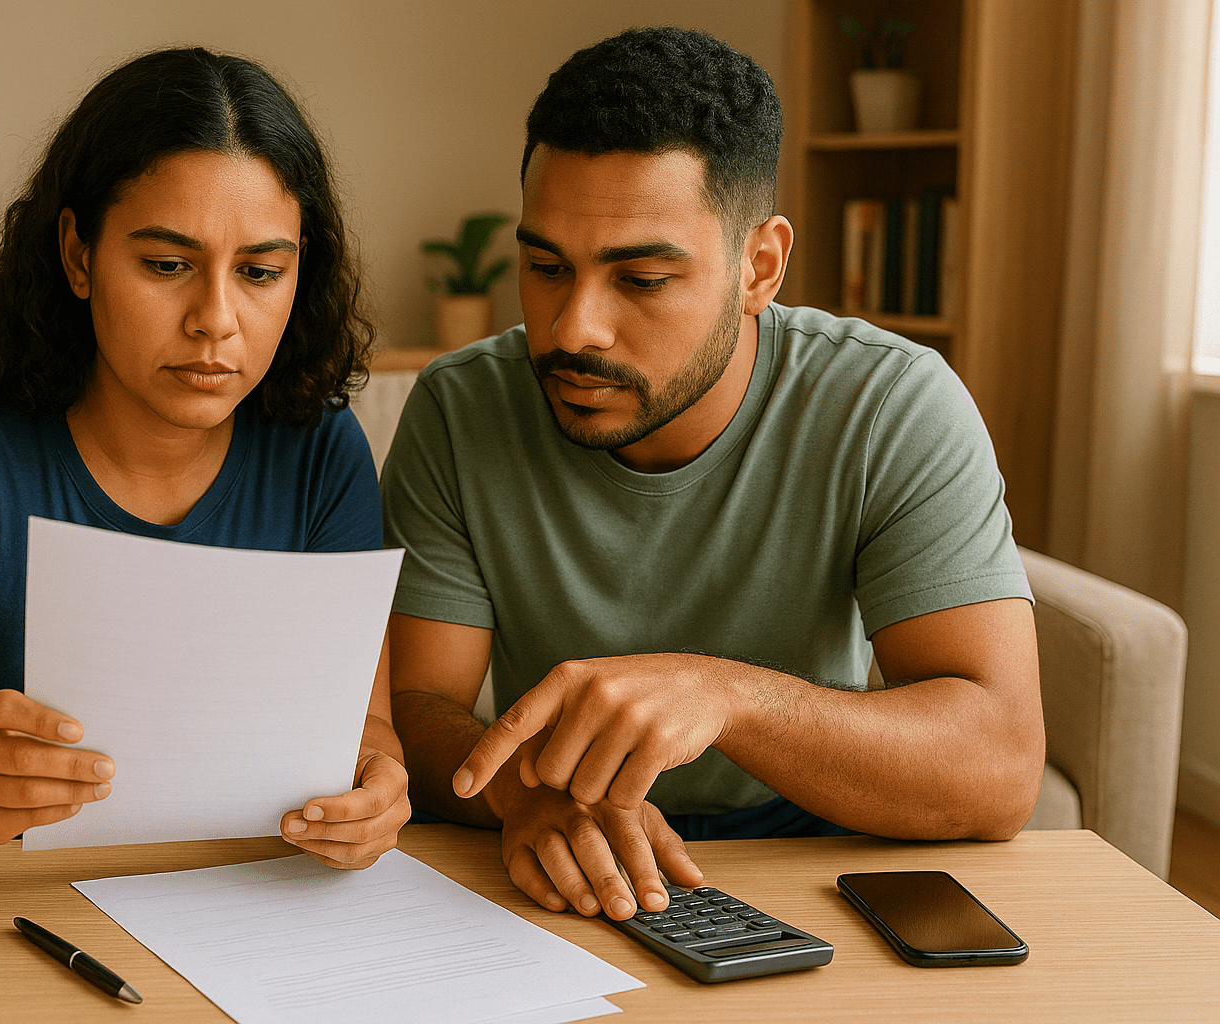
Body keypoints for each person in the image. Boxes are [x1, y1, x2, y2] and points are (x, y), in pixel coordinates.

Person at [381, 27, 1043, 923]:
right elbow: (419, 708)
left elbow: (1001, 770)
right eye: (545, 268)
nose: (576, 328)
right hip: (562, 850)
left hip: (823, 846)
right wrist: (520, 796)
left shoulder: (891, 404)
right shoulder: (460, 410)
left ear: (758, 268)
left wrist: (727, 696)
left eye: (643, 278)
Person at [0, 47, 410, 865]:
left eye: (262, 271)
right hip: (6, 908)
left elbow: (363, 727)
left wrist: (378, 783)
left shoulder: (321, 446)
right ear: (79, 255)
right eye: (167, 265)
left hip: (242, 908)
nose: (216, 319)